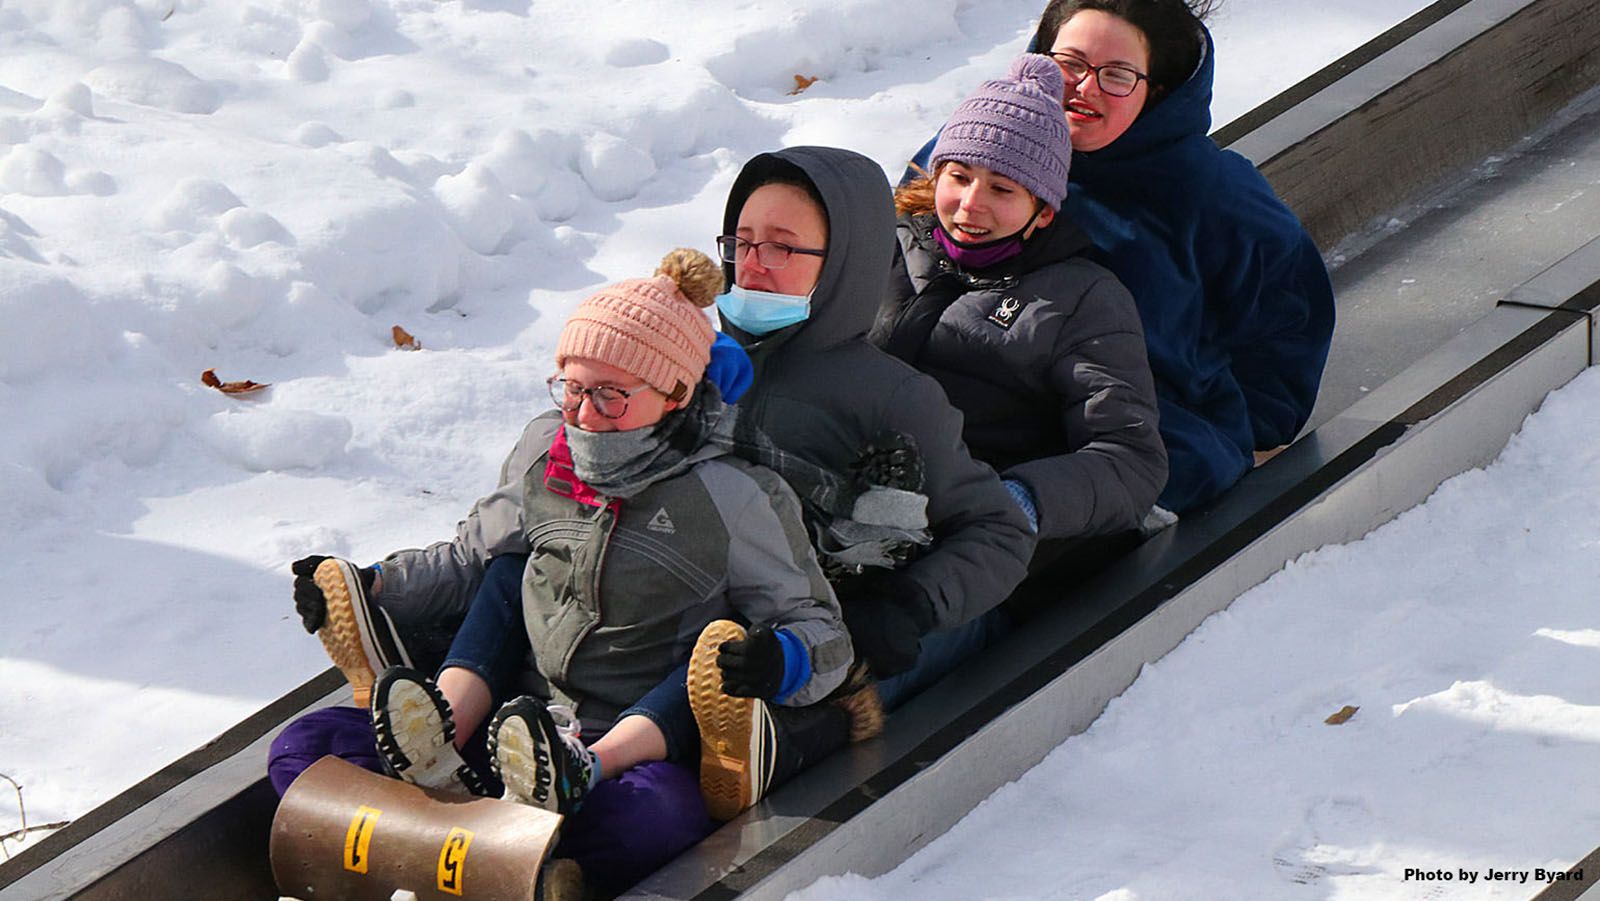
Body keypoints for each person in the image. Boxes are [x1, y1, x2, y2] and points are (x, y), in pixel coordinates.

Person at [269, 248, 853, 895]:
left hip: (623, 743)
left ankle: (485, 830)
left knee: (657, 815)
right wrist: (376, 583)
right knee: (303, 745)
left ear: (676, 393)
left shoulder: (733, 494)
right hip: (504, 731)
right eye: (572, 388)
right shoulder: (547, 447)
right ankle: (468, 797)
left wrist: (781, 659)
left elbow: (821, 627)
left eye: (608, 395)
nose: (581, 413)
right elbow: (472, 556)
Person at [911, 0, 1335, 515]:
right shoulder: (981, 148)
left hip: (1132, 442)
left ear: (1155, 90)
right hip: (961, 420)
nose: (1083, 89)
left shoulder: (1212, 195)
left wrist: (1238, 434)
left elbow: (1288, 318)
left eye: (1115, 75)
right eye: (1069, 64)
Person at [713, 146, 1036, 711]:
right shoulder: (693, 366)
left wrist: (908, 604)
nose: (754, 262)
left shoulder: (891, 397)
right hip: (706, 622)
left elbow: (999, 530)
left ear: (844, 261)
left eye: (783, 246)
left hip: (824, 642)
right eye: (742, 242)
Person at [870, 54, 1166, 590]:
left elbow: (1132, 459)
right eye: (958, 177)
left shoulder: (1081, 297)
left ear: (1044, 210)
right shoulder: (880, 248)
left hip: (972, 550)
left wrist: (1015, 501)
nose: (970, 206)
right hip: (842, 508)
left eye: (1003, 190)